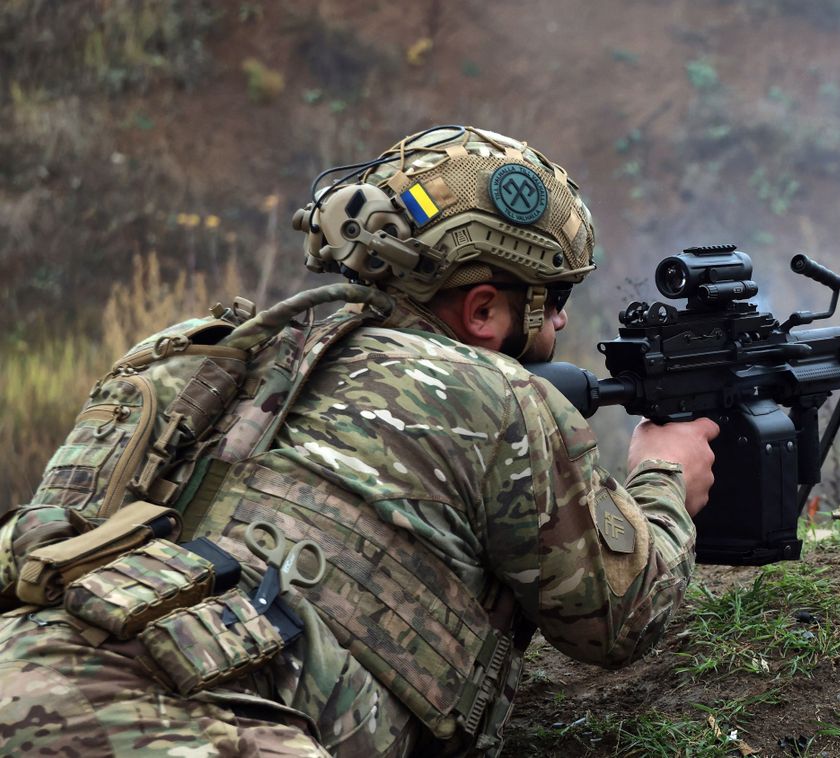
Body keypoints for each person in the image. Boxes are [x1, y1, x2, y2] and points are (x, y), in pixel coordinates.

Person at [0, 125, 719, 756]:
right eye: (553, 300)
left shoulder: (202, 355)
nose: (560, 324)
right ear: (481, 311)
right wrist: (664, 478)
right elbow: (618, 620)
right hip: (204, 729)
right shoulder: (501, 397)